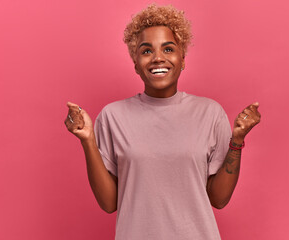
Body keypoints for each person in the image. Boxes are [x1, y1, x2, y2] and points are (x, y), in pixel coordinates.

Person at [64, 3, 261, 240]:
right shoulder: (112, 116)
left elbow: (219, 199)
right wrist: (88, 141)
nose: (158, 58)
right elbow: (108, 203)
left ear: (183, 59)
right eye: (146, 51)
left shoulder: (210, 113)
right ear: (135, 63)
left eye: (168, 49)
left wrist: (237, 141)